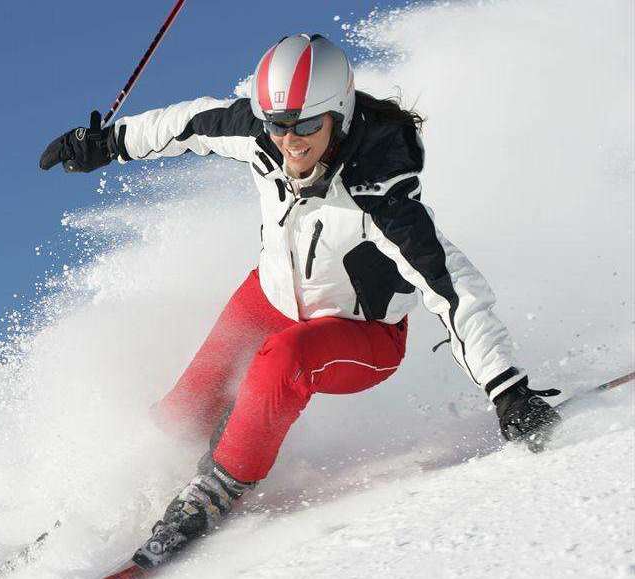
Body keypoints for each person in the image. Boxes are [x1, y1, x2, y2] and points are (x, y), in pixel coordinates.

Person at [40, 34, 561, 569]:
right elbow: (190, 123)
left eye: (307, 125)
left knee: (281, 362)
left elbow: (452, 287)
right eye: (278, 125)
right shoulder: (260, 136)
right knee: (185, 407)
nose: (291, 141)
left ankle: (222, 482)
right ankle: (124, 492)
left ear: (338, 114)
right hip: (270, 299)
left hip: (359, 333)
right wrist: (109, 143)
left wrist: (509, 391)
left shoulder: (378, 193)